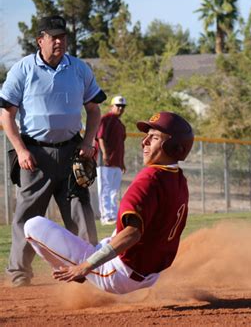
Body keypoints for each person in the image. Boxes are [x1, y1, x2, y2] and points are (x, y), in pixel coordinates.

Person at [24, 111, 194, 294]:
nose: (143, 142)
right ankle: (87, 264)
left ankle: (77, 273)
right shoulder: (178, 178)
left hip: (118, 275)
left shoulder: (149, 179)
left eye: (153, 138)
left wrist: (85, 267)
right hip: (150, 274)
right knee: (111, 236)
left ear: (173, 146)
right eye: (146, 136)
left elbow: (132, 234)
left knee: (32, 225)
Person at [0, 15, 106, 287]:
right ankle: (19, 275)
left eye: (63, 36)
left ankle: (92, 272)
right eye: (53, 36)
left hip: (72, 152)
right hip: (35, 156)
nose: (59, 41)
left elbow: (94, 109)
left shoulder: (79, 69)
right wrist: (20, 150)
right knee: (27, 217)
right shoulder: (23, 69)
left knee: (81, 214)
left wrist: (88, 142)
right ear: (40, 40)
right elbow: (6, 115)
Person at [96, 95, 127, 225]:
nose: (120, 108)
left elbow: (120, 144)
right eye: (118, 105)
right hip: (106, 161)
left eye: (122, 106)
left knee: (114, 191)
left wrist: (122, 162)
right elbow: (100, 137)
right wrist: (104, 153)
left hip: (117, 162)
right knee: (105, 189)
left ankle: (113, 215)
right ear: (111, 106)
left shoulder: (120, 124)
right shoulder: (106, 119)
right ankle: (105, 216)